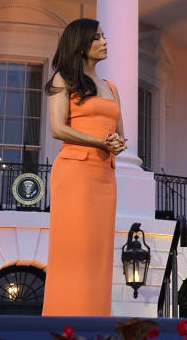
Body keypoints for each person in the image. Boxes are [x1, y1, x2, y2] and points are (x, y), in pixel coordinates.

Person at [41, 18, 127, 316]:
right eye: (97, 38)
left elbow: (118, 131)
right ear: (80, 45)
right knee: (74, 249)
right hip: (75, 173)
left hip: (105, 175)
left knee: (98, 253)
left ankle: (95, 320)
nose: (104, 42)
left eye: (104, 36)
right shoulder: (62, 79)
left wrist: (117, 143)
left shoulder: (111, 87)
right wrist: (100, 142)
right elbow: (57, 129)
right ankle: (64, 320)